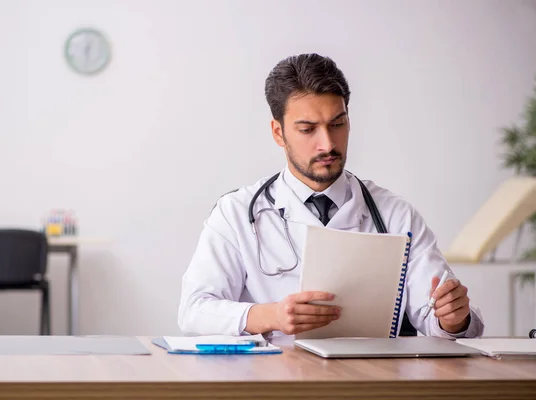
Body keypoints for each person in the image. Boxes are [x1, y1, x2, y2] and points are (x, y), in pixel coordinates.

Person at [178, 53, 484, 339]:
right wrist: (271, 316)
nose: (327, 144)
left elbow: (441, 319)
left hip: (370, 383)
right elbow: (193, 311)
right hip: (274, 383)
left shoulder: (395, 214)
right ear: (278, 133)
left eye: (337, 124)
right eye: (308, 129)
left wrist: (453, 318)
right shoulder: (236, 213)